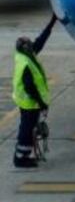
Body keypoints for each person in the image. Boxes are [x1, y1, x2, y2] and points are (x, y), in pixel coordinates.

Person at [12, 15, 58, 168]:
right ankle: (20, 158)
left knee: (26, 127)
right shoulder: (26, 64)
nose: (33, 45)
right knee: (27, 129)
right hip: (29, 102)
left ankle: (22, 154)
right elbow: (29, 87)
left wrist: (51, 23)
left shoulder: (24, 55)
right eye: (30, 45)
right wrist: (41, 103)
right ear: (26, 49)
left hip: (25, 101)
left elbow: (40, 42)